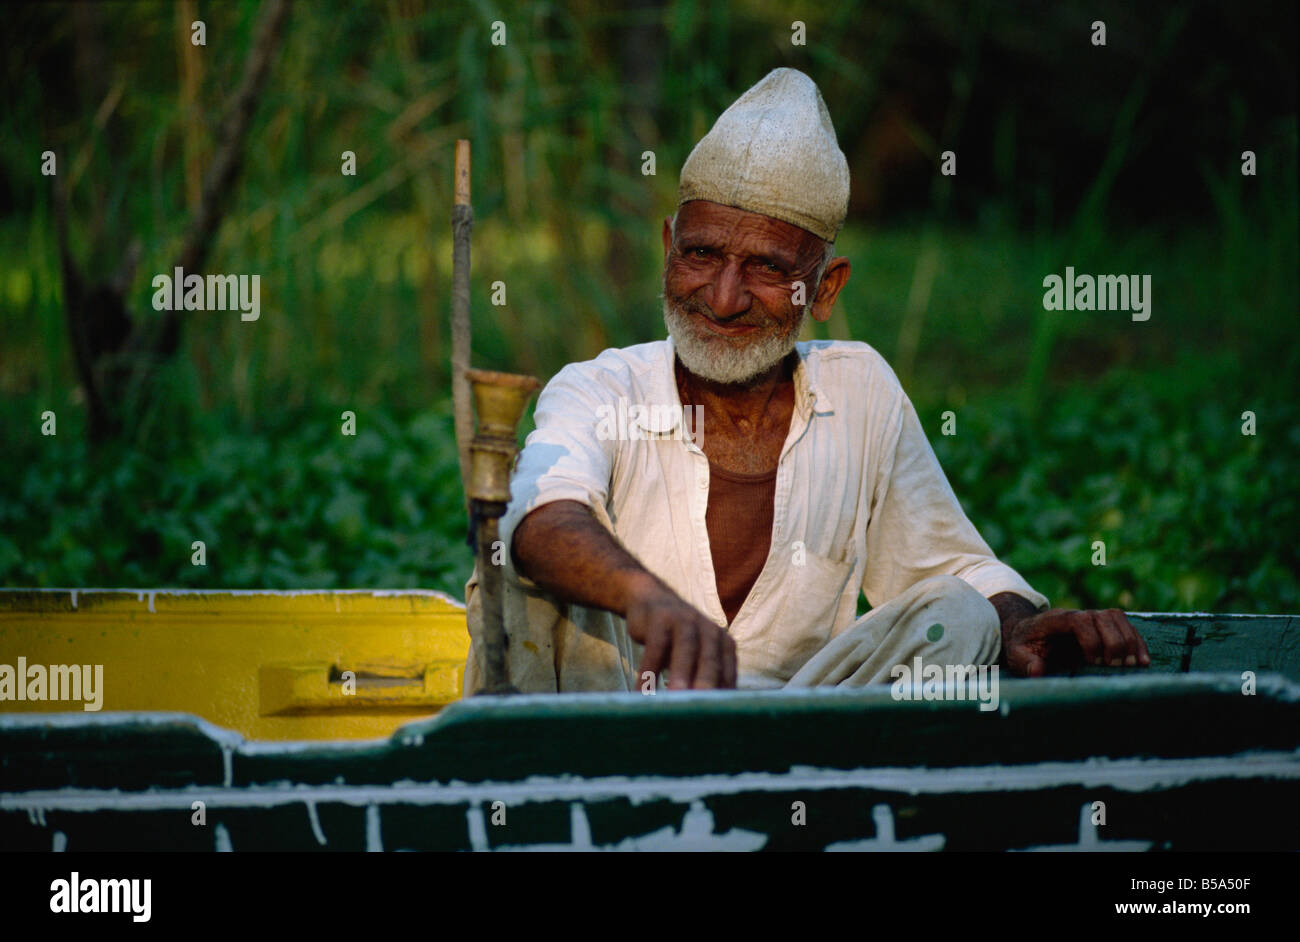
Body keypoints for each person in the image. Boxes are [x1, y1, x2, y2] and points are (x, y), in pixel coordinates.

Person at [464, 67, 1149, 694]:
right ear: (668, 245)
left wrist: (1017, 622)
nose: (724, 297)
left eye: (766, 268)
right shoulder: (601, 387)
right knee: (515, 573)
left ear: (824, 289)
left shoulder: (860, 393)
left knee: (960, 615)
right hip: (614, 743)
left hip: (797, 742)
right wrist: (646, 597)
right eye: (700, 254)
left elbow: (950, 568)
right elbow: (539, 513)